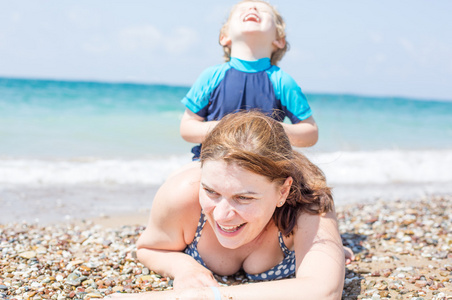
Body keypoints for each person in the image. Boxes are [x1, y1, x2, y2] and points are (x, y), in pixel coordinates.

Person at [106, 111, 345, 299]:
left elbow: (322, 291)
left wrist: (203, 296)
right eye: (211, 192)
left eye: (244, 198)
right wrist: (184, 268)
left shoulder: (309, 203)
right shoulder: (182, 197)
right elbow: (150, 248)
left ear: (283, 191)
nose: (222, 215)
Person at [180, 0, 318, 160]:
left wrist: (268, 129)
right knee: (179, 184)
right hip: (210, 162)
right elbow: (187, 128)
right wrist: (228, 128)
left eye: (263, 11)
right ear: (224, 37)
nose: (252, 8)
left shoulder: (282, 82)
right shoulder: (211, 77)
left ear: (279, 39)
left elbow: (311, 133)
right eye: (242, 10)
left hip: (264, 168)